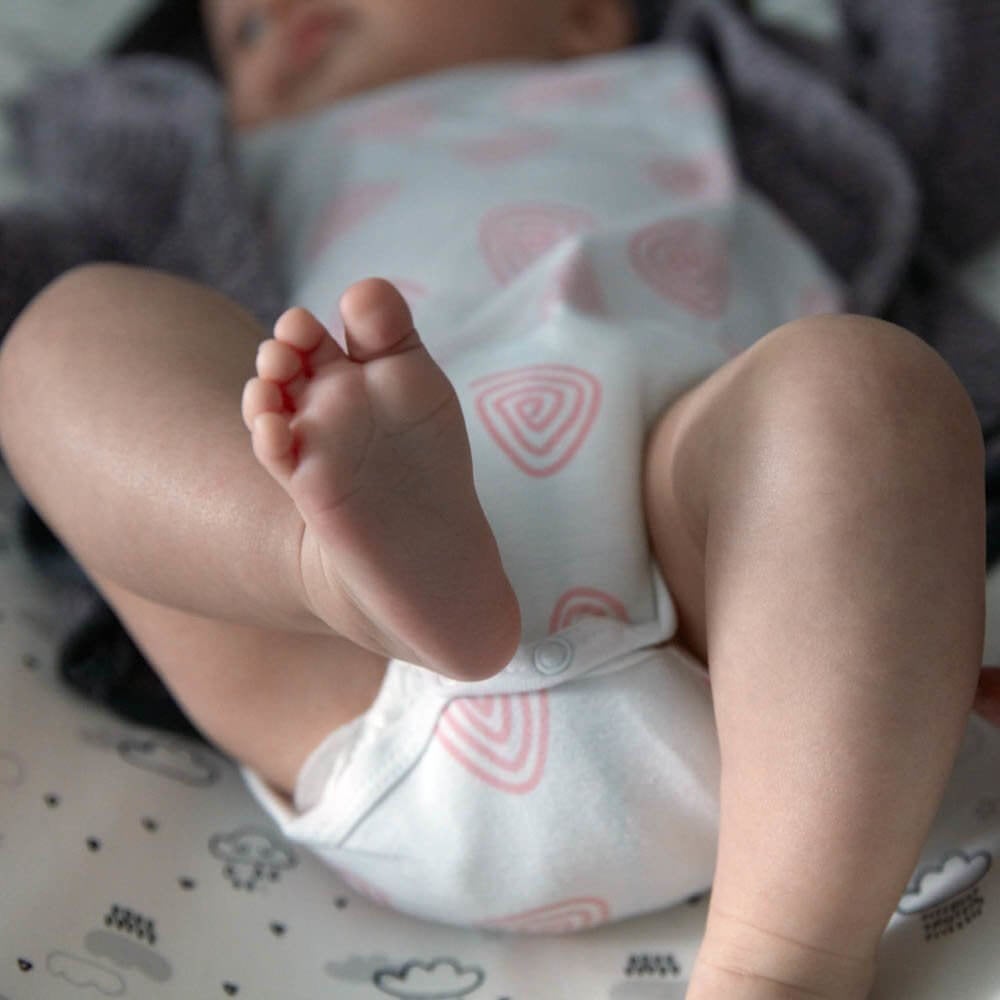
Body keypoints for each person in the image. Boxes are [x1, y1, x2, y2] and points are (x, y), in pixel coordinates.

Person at [0, 1, 988, 996]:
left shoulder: (736, 103)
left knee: (860, 392)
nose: (278, 10)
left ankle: (784, 957)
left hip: (736, 630)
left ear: (583, 17)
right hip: (356, 678)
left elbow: (956, 79)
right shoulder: (225, 169)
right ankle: (326, 561)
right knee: (59, 338)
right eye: (242, 33)